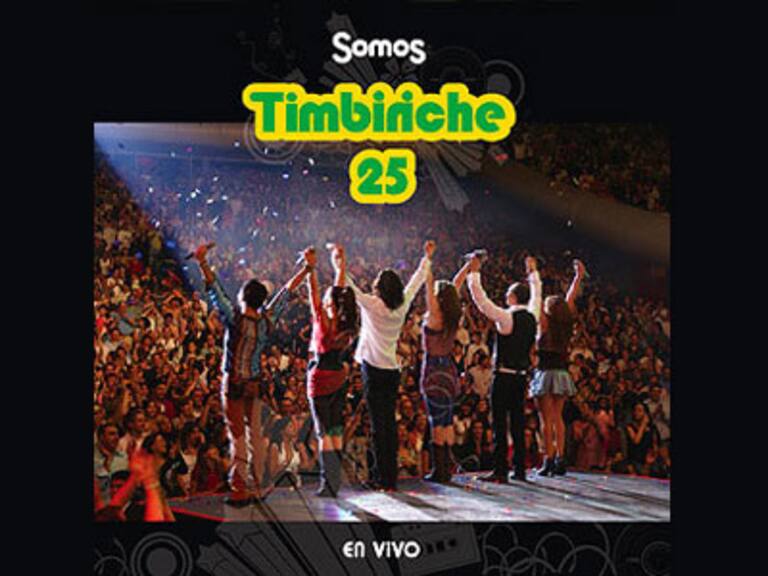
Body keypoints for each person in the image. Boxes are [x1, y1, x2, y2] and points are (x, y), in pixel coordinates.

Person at [192, 243, 311, 505]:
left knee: (237, 436)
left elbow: (215, 290)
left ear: (243, 297)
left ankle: (240, 488)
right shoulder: (266, 321)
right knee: (255, 434)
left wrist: (202, 261)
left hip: (234, 382)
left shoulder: (235, 319)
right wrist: (306, 269)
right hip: (254, 383)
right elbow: (286, 293)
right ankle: (259, 484)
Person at [331, 240, 434, 491]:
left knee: (379, 426)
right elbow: (417, 281)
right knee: (389, 424)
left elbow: (349, 287)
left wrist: (339, 263)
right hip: (392, 370)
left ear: (379, 287)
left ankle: (382, 478)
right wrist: (427, 257)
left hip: (373, 370)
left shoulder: (373, 304)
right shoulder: (402, 304)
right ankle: (390, 477)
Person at [467, 253, 541, 483]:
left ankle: (500, 470)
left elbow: (481, 301)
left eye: (508, 293)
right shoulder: (532, 316)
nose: (505, 296)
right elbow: (537, 295)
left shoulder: (507, 318)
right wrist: (533, 273)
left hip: (504, 377)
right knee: (518, 423)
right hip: (521, 378)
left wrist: (474, 272)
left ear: (513, 297)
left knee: (499, 424)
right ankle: (519, 470)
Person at [302, 246, 358, 496]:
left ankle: (329, 483)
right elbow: (339, 292)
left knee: (324, 432)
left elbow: (313, 291)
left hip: (321, 378)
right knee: (336, 429)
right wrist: (340, 266)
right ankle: (334, 482)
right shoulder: (345, 324)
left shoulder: (322, 320)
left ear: (328, 302)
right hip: (339, 377)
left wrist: (310, 268)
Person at [530, 259, 586, 476]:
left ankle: (549, 459)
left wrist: (533, 273)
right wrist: (577, 277)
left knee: (546, 420)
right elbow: (570, 299)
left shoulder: (544, 324)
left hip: (545, 373)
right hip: (562, 373)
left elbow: (536, 297)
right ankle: (561, 458)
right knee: (559, 418)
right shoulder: (565, 325)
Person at [419, 256, 470, 482]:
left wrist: (428, 262)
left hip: (434, 371)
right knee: (447, 419)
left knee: (436, 421)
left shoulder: (435, 316)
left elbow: (429, 290)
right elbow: (454, 287)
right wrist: (467, 267)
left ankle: (439, 471)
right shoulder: (452, 317)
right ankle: (447, 468)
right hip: (449, 370)